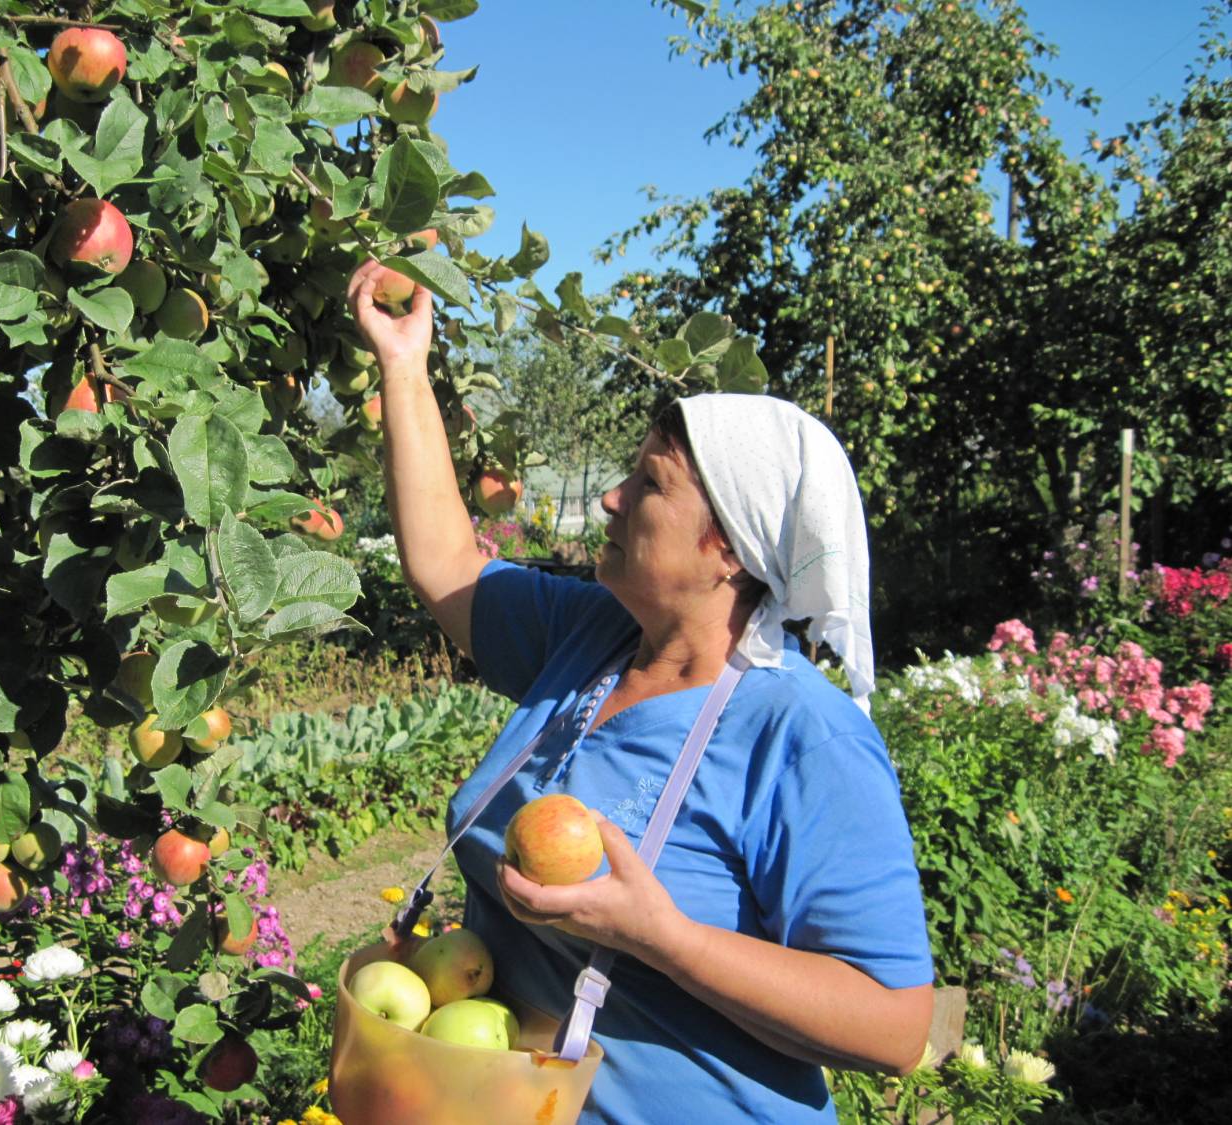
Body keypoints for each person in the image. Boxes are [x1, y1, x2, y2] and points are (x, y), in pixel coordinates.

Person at [346, 260, 934, 1124]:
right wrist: (404, 366)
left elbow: (895, 1025)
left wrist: (666, 939)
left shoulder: (802, 734)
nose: (614, 496)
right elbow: (447, 565)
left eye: (650, 484)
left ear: (727, 549)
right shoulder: (589, 634)